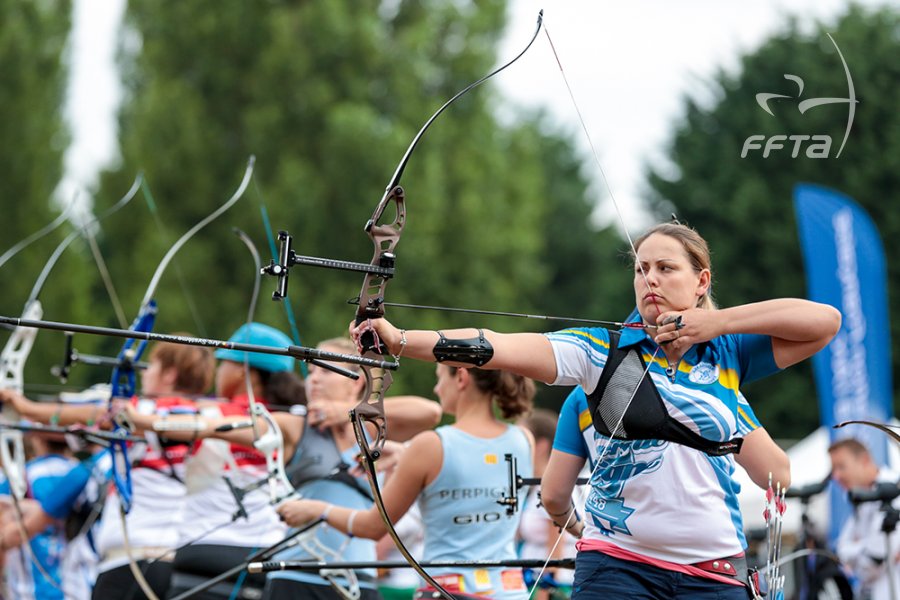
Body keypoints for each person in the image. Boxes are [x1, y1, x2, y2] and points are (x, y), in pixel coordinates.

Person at [343, 222, 841, 599]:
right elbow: (495, 345)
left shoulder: (729, 353)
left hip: (713, 573)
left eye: (666, 268)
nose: (649, 278)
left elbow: (824, 322)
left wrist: (715, 324)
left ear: (701, 281)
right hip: (618, 568)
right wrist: (401, 339)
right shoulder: (601, 352)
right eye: (641, 269)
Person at [127, 335, 440, 600]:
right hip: (297, 577)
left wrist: (346, 413)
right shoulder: (293, 426)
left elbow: (430, 412)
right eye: (311, 371)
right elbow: (211, 426)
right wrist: (149, 421)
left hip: (359, 580)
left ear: (357, 380)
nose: (313, 379)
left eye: (325, 371)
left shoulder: (371, 428)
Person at [278, 365, 536, 600]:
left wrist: (317, 510)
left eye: (438, 379)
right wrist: (404, 455)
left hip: (447, 591)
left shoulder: (430, 445)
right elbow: (477, 469)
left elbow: (372, 527)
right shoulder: (523, 439)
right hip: (510, 592)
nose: (436, 389)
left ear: (461, 377)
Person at [0, 339, 217, 600]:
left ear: (170, 375)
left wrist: (24, 407)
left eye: (151, 366)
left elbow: (88, 414)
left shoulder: (141, 411)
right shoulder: (209, 419)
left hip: (128, 562)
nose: (144, 372)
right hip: (177, 564)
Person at [829, 437, 900, 600]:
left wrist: (858, 548)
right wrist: (865, 547)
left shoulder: (893, 490)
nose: (836, 476)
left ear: (865, 460)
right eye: (834, 469)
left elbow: (873, 561)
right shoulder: (860, 497)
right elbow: (840, 549)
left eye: (841, 467)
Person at [516, 408, 576, 600]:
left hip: (547, 588)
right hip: (529, 581)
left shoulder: (549, 488)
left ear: (540, 446)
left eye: (521, 439)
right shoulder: (531, 487)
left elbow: (556, 548)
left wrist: (544, 592)